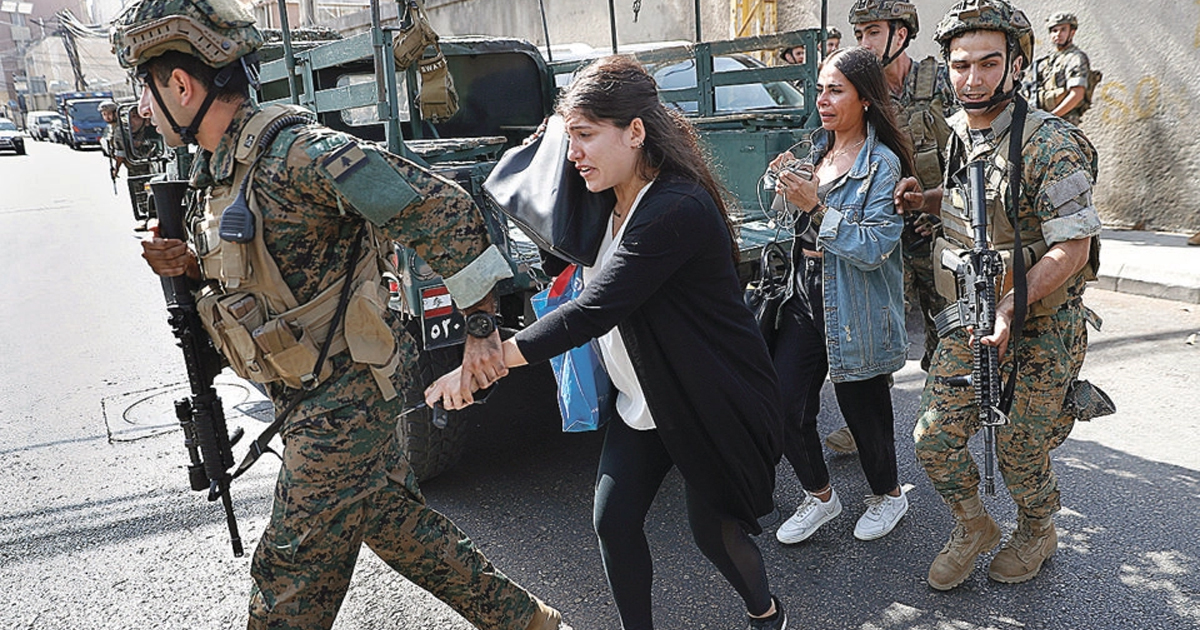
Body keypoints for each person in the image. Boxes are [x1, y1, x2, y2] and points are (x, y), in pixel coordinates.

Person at [111, 1, 570, 629]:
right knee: (405, 532)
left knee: (286, 586)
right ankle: (535, 624)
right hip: (307, 394)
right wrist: (192, 268)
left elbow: (444, 213)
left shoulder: (300, 155)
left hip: (341, 401)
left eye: (145, 89)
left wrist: (482, 331)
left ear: (182, 86)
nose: (140, 110)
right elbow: (270, 276)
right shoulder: (221, 171)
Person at [427, 56, 788, 630]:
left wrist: (485, 366)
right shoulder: (600, 201)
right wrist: (565, 133)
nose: (573, 154)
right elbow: (525, 194)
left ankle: (766, 613)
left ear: (636, 131)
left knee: (714, 533)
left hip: (706, 399)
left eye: (587, 136)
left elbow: (592, 311)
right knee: (613, 521)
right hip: (642, 399)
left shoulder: (675, 208)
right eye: (568, 139)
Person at [902, 0, 1102, 590]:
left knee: (1019, 448)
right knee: (933, 438)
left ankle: (1038, 527)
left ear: (1017, 66)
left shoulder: (1052, 145)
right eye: (961, 66)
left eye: (989, 64)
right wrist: (926, 199)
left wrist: (1015, 305)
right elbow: (980, 202)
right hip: (974, 311)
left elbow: (1074, 249)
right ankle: (974, 525)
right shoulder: (962, 131)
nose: (974, 78)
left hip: (1040, 318)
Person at [767, 46, 911, 546]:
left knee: (863, 412)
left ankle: (888, 495)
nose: (822, 99)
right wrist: (786, 191)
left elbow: (873, 247)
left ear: (866, 98)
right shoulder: (818, 153)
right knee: (784, 404)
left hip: (856, 300)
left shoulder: (883, 165)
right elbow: (791, 226)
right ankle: (821, 497)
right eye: (820, 89)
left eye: (836, 90)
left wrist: (816, 205)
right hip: (805, 293)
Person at [1030, 12, 1092, 125]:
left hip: (1064, 121)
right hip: (1043, 120)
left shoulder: (1076, 58)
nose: (1058, 34)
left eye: (1063, 30)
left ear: (1072, 33)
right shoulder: (1045, 61)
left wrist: (1052, 117)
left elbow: (1077, 94)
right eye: (1054, 30)